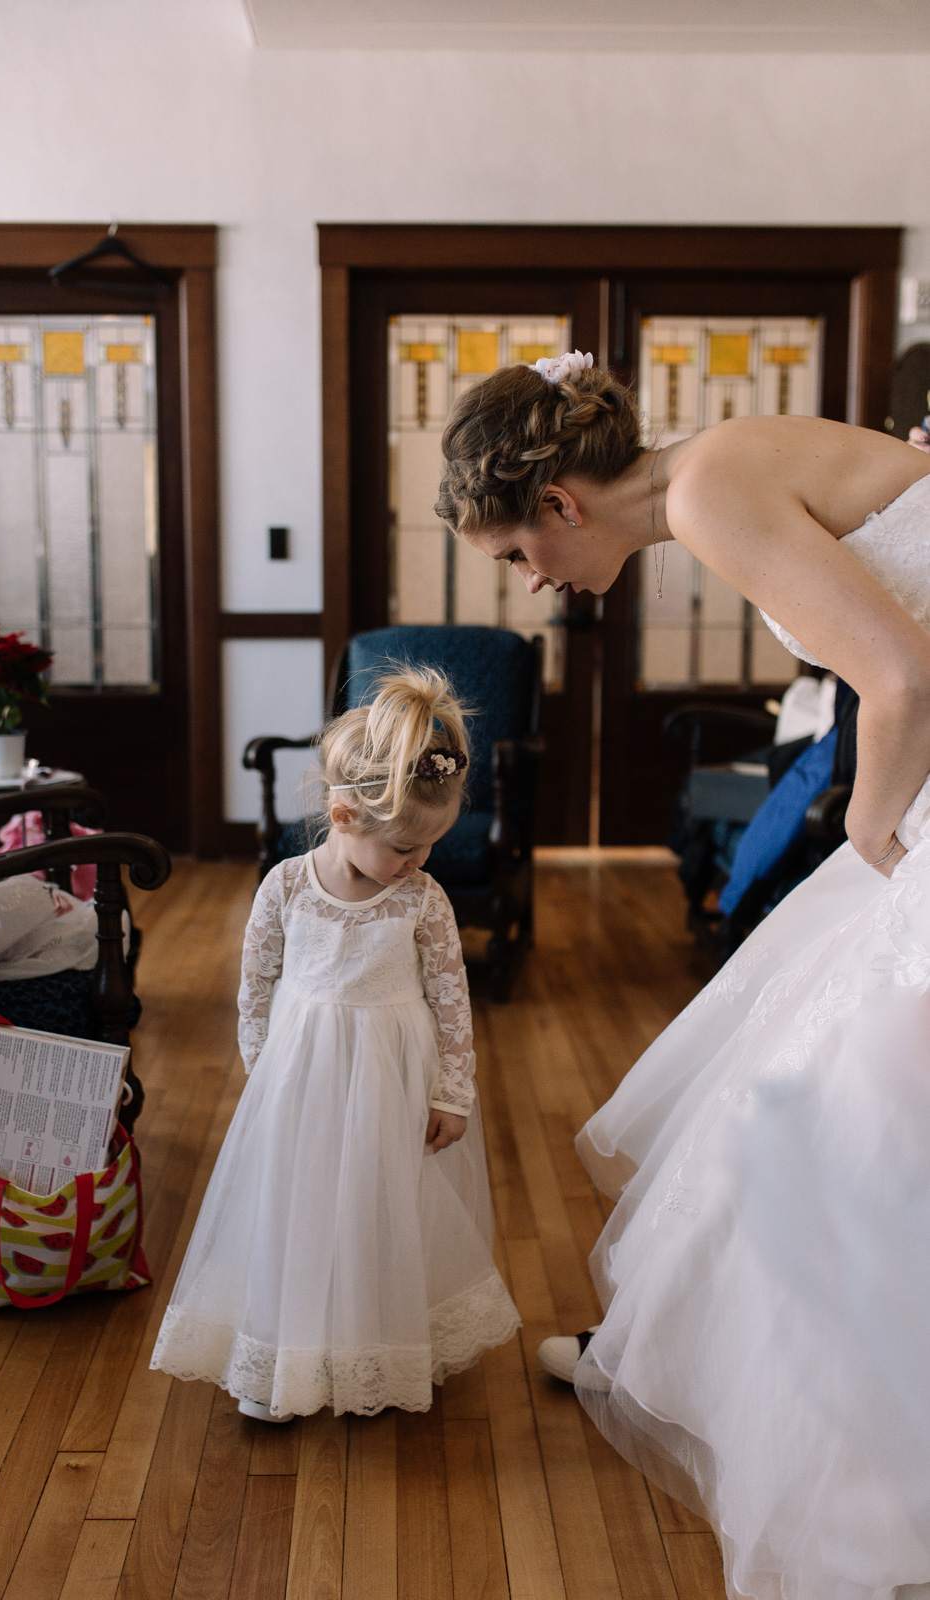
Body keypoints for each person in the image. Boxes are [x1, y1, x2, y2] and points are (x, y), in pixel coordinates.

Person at [436, 351, 930, 1600]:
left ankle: (836, 1439)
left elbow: (907, 675)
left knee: (845, 1081)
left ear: (560, 501)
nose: (537, 585)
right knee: (799, 1071)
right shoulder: (715, 474)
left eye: (516, 556)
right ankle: (673, 1352)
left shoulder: (711, 489)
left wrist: (871, 837)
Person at [150, 666, 520, 1420]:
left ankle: (376, 1347)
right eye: (404, 849)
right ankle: (281, 1358)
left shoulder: (424, 900)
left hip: (392, 1077)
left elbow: (452, 998)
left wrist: (453, 1092)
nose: (418, 863)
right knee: (298, 1208)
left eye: (429, 848)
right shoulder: (286, 887)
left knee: (380, 1208)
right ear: (343, 813)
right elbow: (256, 982)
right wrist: (267, 1070)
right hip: (303, 1078)